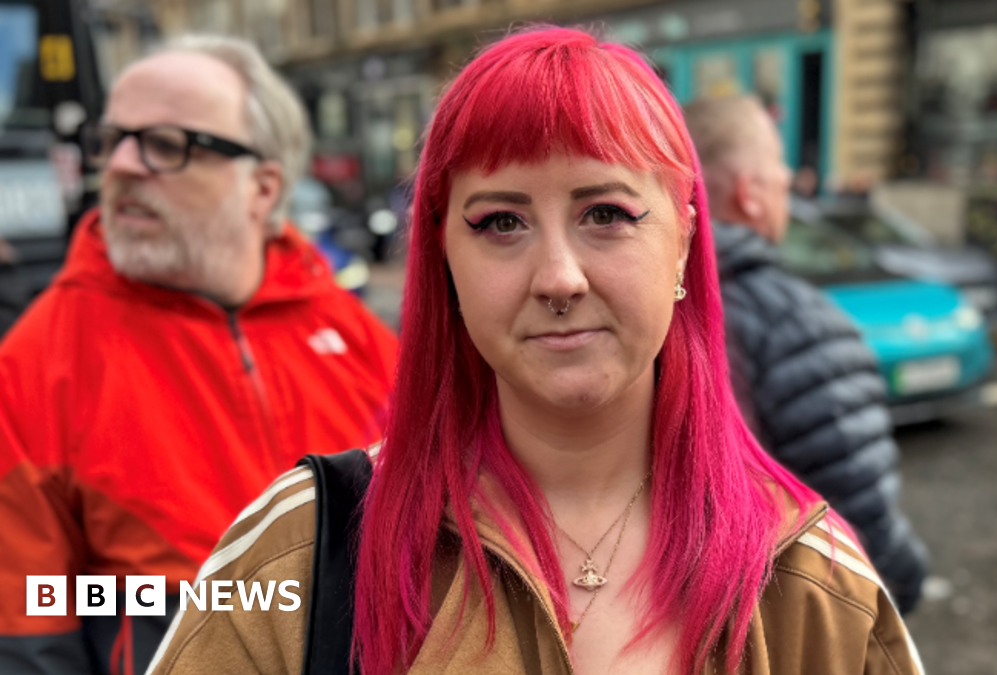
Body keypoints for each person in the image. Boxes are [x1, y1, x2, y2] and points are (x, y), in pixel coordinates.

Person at [148, 28, 923, 675]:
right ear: (443, 257)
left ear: (684, 241)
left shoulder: (813, 579)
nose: (559, 276)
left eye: (607, 213)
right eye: (500, 223)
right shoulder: (301, 553)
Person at [0, 36, 398, 674]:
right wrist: (183, 602)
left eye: (165, 144)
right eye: (113, 140)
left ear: (262, 188)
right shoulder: (34, 366)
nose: (123, 165)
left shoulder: (360, 341)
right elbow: (28, 622)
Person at [683, 95, 929, 614]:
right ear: (750, 193)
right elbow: (866, 543)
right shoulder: (801, 324)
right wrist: (910, 579)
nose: (788, 188)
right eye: (780, 173)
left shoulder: (633, 308)